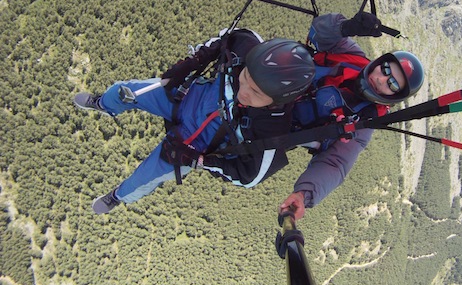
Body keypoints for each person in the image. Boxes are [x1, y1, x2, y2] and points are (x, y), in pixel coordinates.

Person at [74, 28, 316, 214]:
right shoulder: (247, 46)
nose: (244, 92)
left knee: (146, 176)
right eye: (245, 77)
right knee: (125, 90)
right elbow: (227, 38)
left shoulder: (272, 133)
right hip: (189, 96)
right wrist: (192, 62)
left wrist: (200, 161)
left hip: (194, 145)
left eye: (256, 93)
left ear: (276, 100)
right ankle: (104, 104)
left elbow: (248, 177)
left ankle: (118, 196)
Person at [278, 12, 424, 221]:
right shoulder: (352, 57)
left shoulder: (364, 122)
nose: (381, 80)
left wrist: (304, 194)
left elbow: (336, 163)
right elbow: (318, 32)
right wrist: (346, 27)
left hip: (278, 125)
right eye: (385, 69)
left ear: (395, 96)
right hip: (279, 78)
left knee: (248, 171)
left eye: (392, 84)